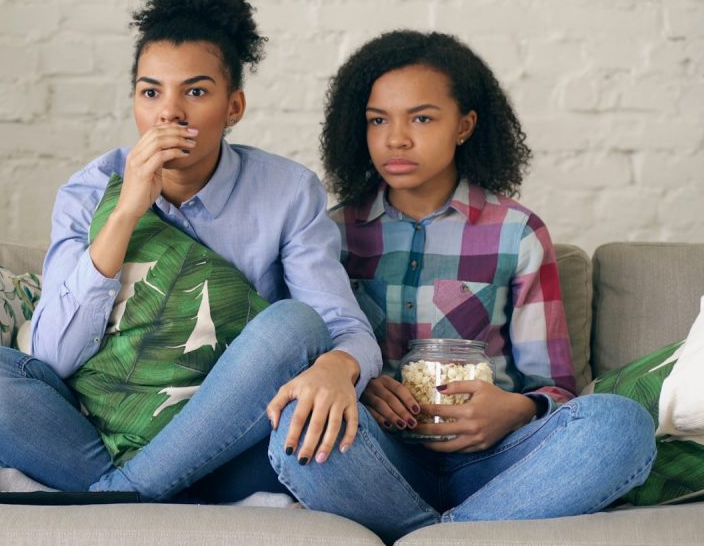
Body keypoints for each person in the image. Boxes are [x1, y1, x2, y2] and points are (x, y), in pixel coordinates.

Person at [0, 0, 380, 504]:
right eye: (150, 92)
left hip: (229, 438)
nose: (168, 112)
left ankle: (113, 497)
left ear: (234, 107)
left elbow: (343, 329)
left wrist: (340, 366)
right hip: (98, 428)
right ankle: (146, 491)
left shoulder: (288, 192)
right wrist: (127, 210)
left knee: (294, 324)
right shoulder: (90, 192)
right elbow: (52, 355)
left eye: (195, 91)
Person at [267, 30, 657, 542]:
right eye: (378, 120)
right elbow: (305, 363)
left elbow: (557, 387)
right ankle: (465, 535)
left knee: (621, 423)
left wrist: (513, 409)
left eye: (422, 118)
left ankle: (435, 536)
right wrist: (358, 383)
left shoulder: (516, 232)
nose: (396, 138)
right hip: (378, 462)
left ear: (464, 126)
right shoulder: (329, 232)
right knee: (297, 425)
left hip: (499, 461)